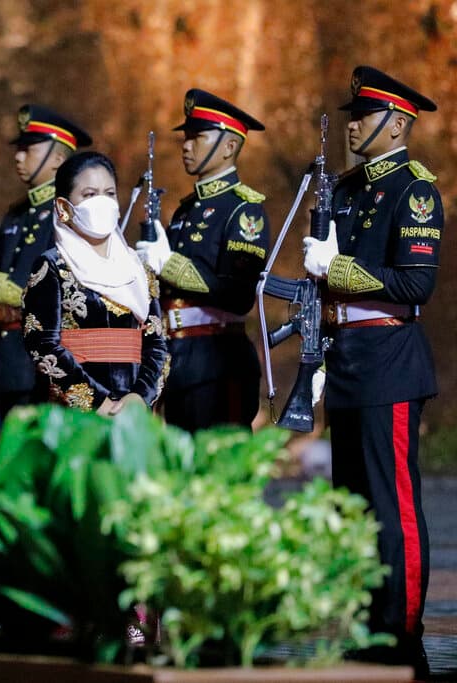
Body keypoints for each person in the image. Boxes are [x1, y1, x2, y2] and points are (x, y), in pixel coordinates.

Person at [301, 66, 440, 678]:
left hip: (388, 360)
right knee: (352, 508)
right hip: (347, 359)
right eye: (352, 115)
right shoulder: (346, 188)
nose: (353, 124)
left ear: (399, 124)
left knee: (392, 507)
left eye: (365, 115)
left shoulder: (413, 191)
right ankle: (362, 627)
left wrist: (336, 269)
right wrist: (315, 355)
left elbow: (416, 284)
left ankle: (401, 636)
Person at [136, 89, 268, 432]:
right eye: (187, 137)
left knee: (217, 459)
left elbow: (238, 294)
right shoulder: (185, 211)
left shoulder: (243, 210)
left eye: (198, 137)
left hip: (218, 360)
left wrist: (169, 265)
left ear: (229, 146)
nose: (187, 145)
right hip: (177, 358)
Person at [0, 104, 92, 423]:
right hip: (8, 364)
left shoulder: (68, 216)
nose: (18, 157)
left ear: (58, 158)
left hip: (43, 366)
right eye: (19, 148)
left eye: (29, 149)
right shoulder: (16, 215)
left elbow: (60, 294)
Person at [22, 151, 167, 412]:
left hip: (133, 414)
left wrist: (139, 398)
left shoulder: (139, 269)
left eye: (109, 194)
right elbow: (42, 344)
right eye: (89, 195)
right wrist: (98, 402)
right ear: (64, 207)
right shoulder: (53, 266)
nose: (101, 203)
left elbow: (157, 344)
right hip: (75, 415)